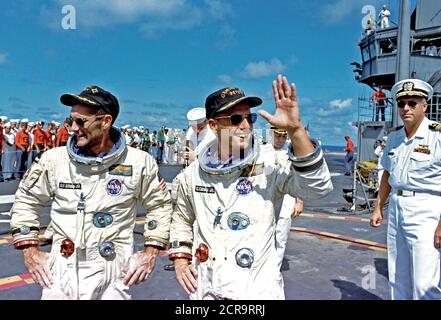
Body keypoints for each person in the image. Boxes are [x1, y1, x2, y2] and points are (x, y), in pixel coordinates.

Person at [169, 75, 333, 300]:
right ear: (214, 125)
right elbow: (181, 217)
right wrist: (180, 258)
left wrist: (296, 130)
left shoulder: (271, 163)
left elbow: (317, 189)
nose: (245, 126)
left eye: (250, 118)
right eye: (236, 119)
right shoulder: (194, 174)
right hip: (205, 287)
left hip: (255, 291)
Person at [10, 85, 172, 300]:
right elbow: (26, 201)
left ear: (105, 122)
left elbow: (159, 206)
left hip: (113, 271)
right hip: (61, 270)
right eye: (70, 121)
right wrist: (29, 250)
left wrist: (150, 252)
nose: (72, 128)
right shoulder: (54, 160)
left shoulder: (138, 162)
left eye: (80, 122)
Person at [370, 79, 441, 300]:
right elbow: (387, 175)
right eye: (401, 103)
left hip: (427, 209)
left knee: (424, 283)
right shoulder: (394, 138)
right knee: (397, 277)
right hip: (397, 209)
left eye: (412, 103)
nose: (406, 108)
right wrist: (378, 207)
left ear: (424, 105)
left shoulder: (437, 136)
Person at [267, 126, 304, 272]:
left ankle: (273, 271)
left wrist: (299, 201)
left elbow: (299, 178)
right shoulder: (262, 151)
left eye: (283, 136)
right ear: (271, 133)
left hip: (287, 200)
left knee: (280, 237)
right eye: (277, 135)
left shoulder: (291, 152)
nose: (281, 139)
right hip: (266, 200)